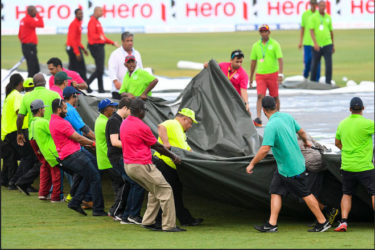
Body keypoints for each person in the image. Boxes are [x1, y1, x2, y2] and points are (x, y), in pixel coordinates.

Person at [246, 96, 331, 233]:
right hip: (285, 167)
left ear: (263, 110)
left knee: (305, 194)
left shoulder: (271, 126)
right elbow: (302, 132)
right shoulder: (287, 117)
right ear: (276, 105)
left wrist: (252, 164)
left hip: (291, 168)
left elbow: (265, 149)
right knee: (275, 191)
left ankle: (323, 221)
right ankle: (271, 224)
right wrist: (306, 141)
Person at [121, 99, 185, 232]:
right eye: (145, 110)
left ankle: (148, 221)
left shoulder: (125, 123)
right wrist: (173, 156)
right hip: (142, 165)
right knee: (166, 190)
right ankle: (169, 226)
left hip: (129, 166)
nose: (146, 113)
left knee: (154, 191)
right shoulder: (142, 126)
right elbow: (157, 146)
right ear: (140, 110)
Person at [49, 99, 106, 216]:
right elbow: (77, 138)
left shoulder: (54, 120)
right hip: (72, 154)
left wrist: (88, 143)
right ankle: (98, 210)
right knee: (94, 176)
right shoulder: (61, 122)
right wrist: (93, 143)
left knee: (92, 171)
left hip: (73, 152)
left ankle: (76, 201)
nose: (67, 111)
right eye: (65, 109)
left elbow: (74, 139)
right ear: (59, 110)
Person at [153, 108, 204, 226]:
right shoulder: (173, 123)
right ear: (184, 118)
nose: (190, 126)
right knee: (168, 193)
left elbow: (186, 149)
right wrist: (166, 144)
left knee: (174, 192)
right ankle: (159, 221)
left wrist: (198, 157)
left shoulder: (180, 132)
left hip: (169, 165)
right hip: (164, 163)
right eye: (190, 122)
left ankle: (185, 219)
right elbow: (161, 126)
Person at [16, 73, 61, 195]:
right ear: (45, 82)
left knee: (43, 163)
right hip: (49, 134)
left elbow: (20, 117)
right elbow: (62, 112)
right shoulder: (54, 94)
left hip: (33, 135)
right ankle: (24, 182)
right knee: (50, 162)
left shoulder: (27, 97)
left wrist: (19, 133)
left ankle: (41, 190)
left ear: (34, 84)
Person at [334, 97, 374, 232]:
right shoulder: (368, 124)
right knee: (373, 193)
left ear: (350, 109)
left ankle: (343, 222)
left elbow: (337, 143)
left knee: (346, 194)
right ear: (363, 109)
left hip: (347, 166)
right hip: (364, 166)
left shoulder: (342, 124)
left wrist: (347, 150)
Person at [105, 97, 145, 224]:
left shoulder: (121, 120)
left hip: (122, 156)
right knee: (135, 183)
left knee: (129, 184)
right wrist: (134, 144)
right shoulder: (114, 121)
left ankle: (124, 214)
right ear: (125, 108)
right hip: (117, 157)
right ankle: (128, 214)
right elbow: (115, 142)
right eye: (131, 110)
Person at [250, 24, 283, 127]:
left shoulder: (275, 44)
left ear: (269, 32)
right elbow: (253, 62)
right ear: (260, 33)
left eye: (265, 31)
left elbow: (280, 59)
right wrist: (251, 77)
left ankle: (276, 116)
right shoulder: (256, 45)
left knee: (275, 96)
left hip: (273, 73)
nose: (263, 33)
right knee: (260, 95)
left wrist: (280, 74)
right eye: (262, 31)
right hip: (260, 74)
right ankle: (259, 117)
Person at [29, 99, 62, 202]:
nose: (44, 110)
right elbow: (55, 132)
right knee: (56, 173)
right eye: (43, 108)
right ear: (39, 110)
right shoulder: (43, 122)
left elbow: (32, 140)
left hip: (41, 151)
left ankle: (43, 193)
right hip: (51, 151)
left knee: (45, 171)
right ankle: (56, 197)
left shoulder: (32, 122)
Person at [1, 74, 27, 188]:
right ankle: (16, 181)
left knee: (10, 157)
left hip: (5, 131)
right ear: (21, 83)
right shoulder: (16, 95)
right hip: (13, 131)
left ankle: (5, 180)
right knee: (27, 156)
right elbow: (18, 112)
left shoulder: (9, 95)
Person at [87, 6, 119, 93]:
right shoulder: (92, 22)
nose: (102, 13)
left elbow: (103, 37)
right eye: (100, 11)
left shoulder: (97, 22)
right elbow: (93, 36)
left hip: (99, 46)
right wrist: (100, 37)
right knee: (100, 69)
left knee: (99, 69)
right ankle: (87, 84)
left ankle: (100, 89)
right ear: (96, 11)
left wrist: (112, 43)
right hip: (96, 47)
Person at [108, 32, 143, 99]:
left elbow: (140, 69)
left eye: (131, 40)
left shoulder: (137, 54)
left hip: (134, 91)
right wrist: (115, 81)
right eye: (127, 41)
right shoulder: (115, 54)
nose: (130, 43)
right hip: (119, 91)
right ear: (122, 41)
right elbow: (112, 70)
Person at [309, 0, 334, 84]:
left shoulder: (328, 17)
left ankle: (328, 82)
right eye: (321, 6)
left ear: (326, 7)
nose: (322, 7)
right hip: (317, 45)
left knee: (329, 65)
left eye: (324, 6)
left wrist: (333, 44)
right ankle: (312, 82)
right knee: (314, 65)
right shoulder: (313, 17)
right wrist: (315, 43)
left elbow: (331, 31)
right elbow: (311, 31)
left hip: (327, 44)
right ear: (318, 6)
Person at [18, 5, 44, 77]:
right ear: (31, 11)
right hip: (29, 46)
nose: (36, 13)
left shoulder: (23, 19)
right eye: (35, 11)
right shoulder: (29, 20)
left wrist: (24, 43)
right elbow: (41, 24)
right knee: (33, 68)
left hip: (26, 45)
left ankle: (33, 81)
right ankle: (30, 83)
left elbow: (19, 34)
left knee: (33, 66)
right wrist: (38, 15)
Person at [298, 0, 320, 81]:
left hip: (317, 42)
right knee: (307, 61)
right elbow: (303, 28)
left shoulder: (319, 15)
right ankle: (306, 75)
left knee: (317, 61)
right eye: (312, 3)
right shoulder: (305, 14)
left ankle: (316, 80)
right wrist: (300, 41)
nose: (313, 5)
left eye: (315, 4)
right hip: (307, 41)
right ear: (310, 4)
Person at [66, 8, 88, 81]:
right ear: (75, 15)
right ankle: (86, 85)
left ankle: (70, 83)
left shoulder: (78, 23)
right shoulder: (74, 24)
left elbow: (77, 40)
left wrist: (83, 49)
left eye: (82, 14)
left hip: (74, 48)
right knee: (81, 68)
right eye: (79, 14)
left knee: (73, 68)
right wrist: (77, 52)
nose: (81, 15)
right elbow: (73, 40)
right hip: (73, 48)